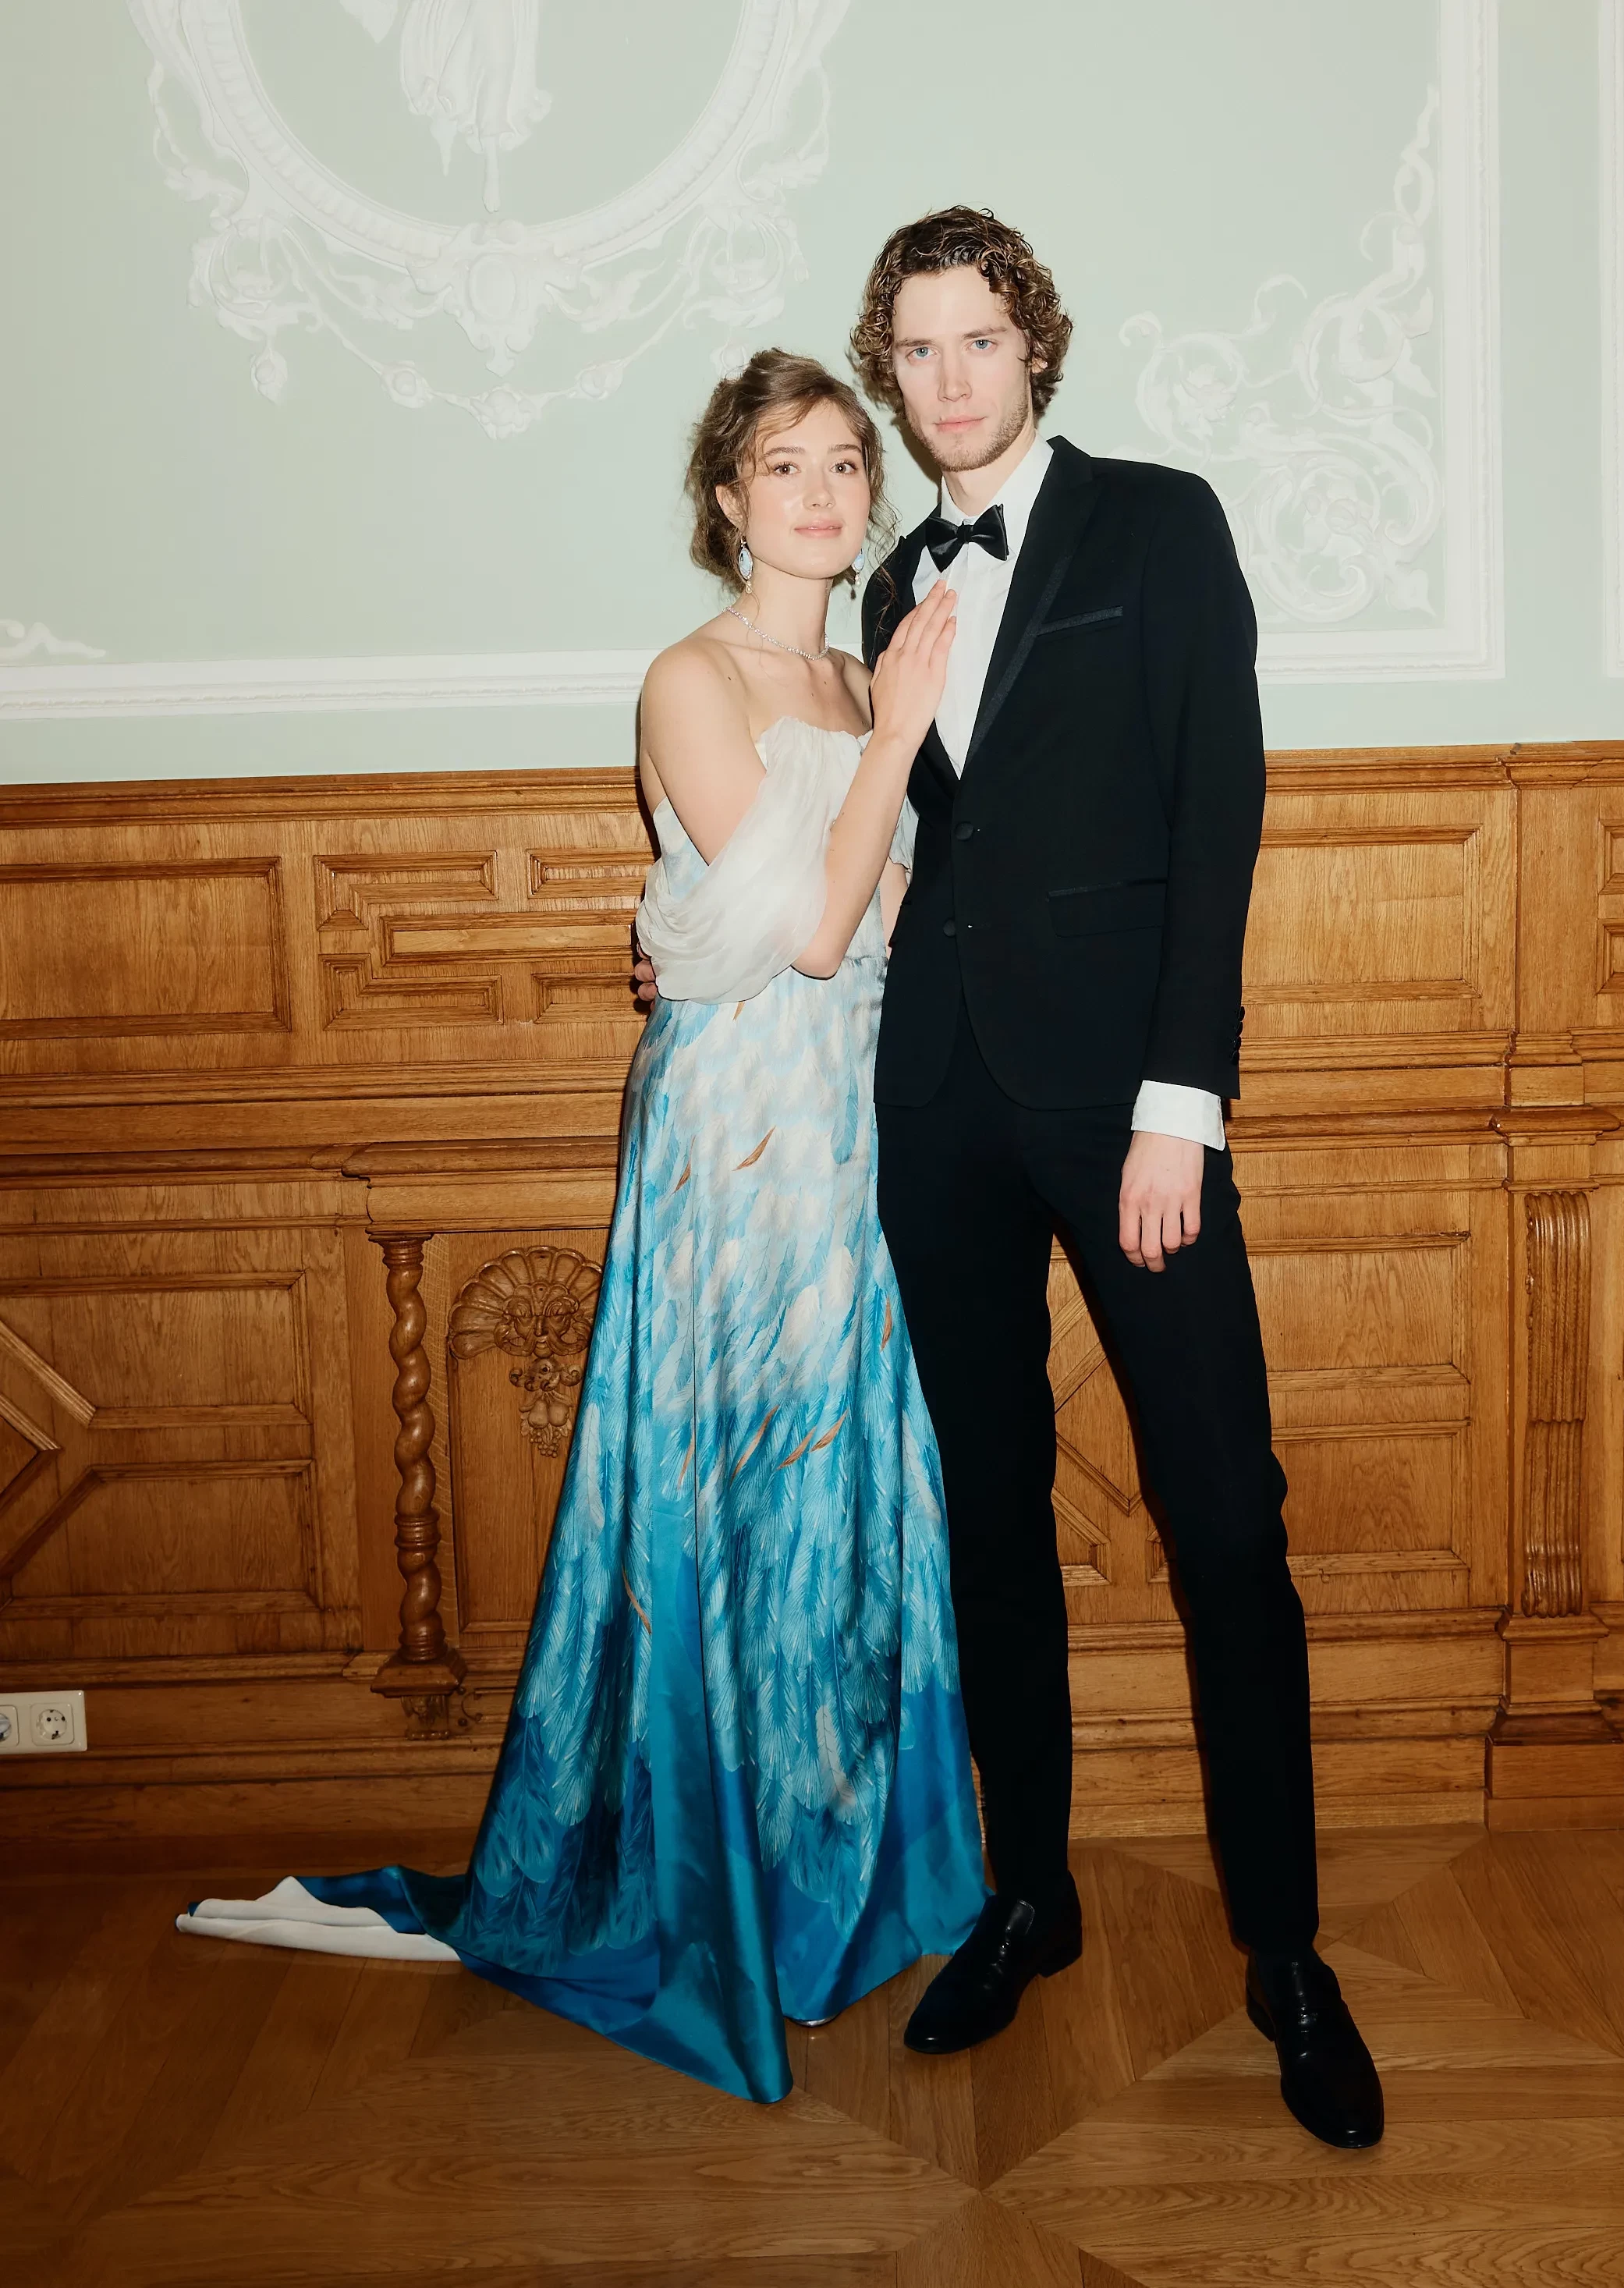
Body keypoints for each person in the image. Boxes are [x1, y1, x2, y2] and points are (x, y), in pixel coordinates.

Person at [176, 351, 986, 2107]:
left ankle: (828, 1883)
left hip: (855, 1124)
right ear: (728, 498)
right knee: (723, 1476)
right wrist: (879, 768)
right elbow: (821, 927)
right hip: (734, 1136)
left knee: (836, 1487)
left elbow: (888, 913)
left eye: (846, 462)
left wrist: (849, 803)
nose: (823, 492)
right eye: (785, 464)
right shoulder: (692, 677)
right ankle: (703, 1896)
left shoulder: (867, 669)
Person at [847, 208, 1385, 2151]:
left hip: (1124, 1111)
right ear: (891, 371)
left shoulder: (1157, 523)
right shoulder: (886, 580)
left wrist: (1184, 1099)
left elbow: (1212, 805)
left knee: (1225, 1519)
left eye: (978, 339)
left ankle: (1285, 1954)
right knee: (989, 1519)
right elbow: (904, 845)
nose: (950, 377)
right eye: (916, 348)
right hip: (939, 1108)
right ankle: (1030, 1894)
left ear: (1034, 349)